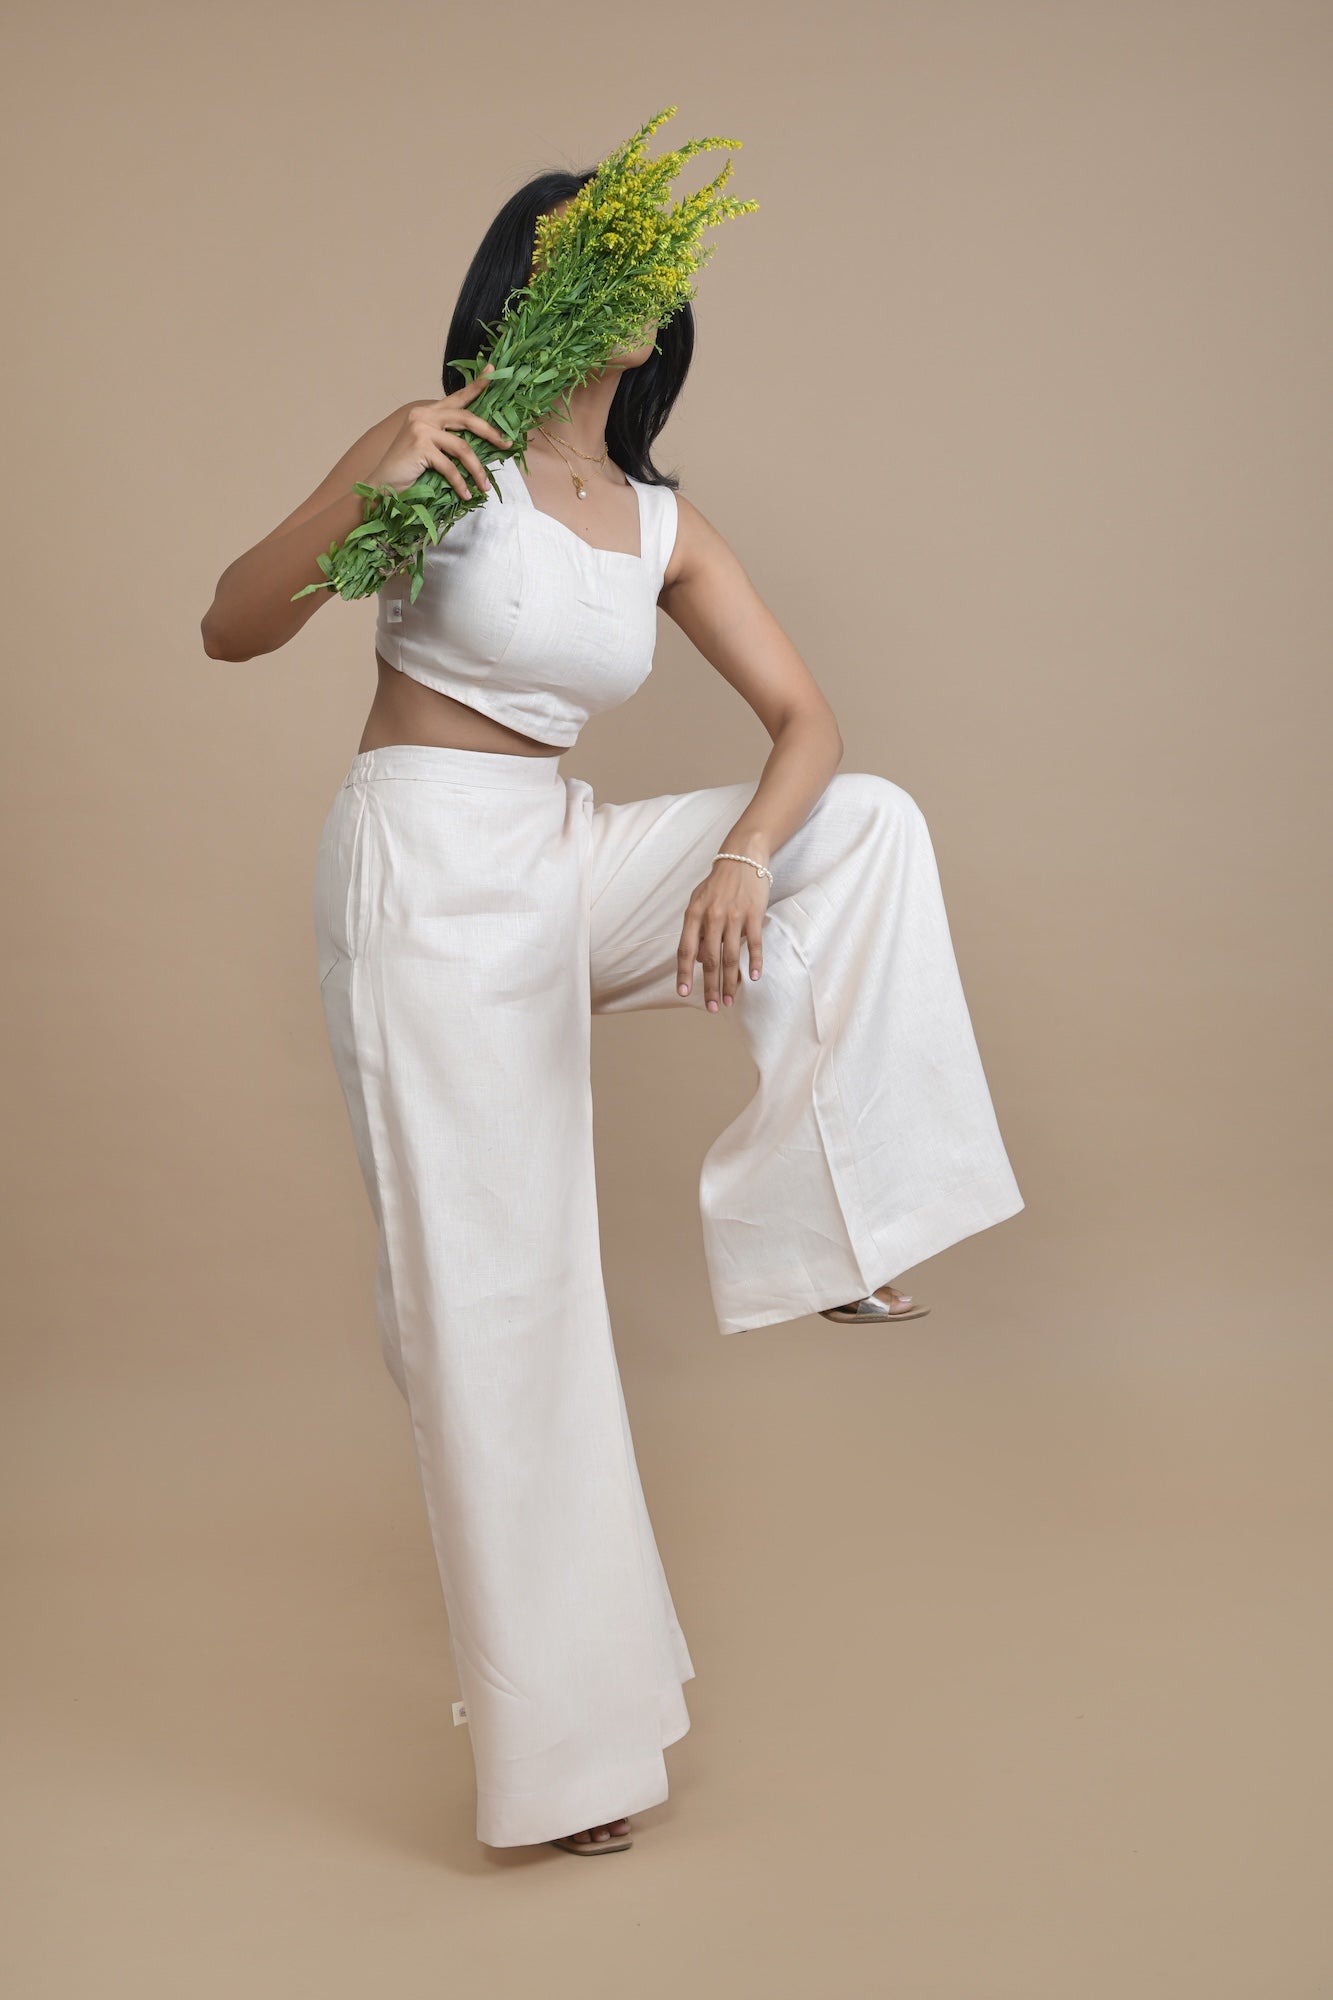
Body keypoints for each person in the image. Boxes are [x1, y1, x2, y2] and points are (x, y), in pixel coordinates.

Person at [200, 166, 1024, 1860]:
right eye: (598, 252)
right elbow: (232, 628)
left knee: (860, 830)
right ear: (533, 281)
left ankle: (837, 1231)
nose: (636, 279)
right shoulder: (447, 445)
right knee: (500, 1313)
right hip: (425, 873)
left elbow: (807, 724)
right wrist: (374, 482)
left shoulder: (657, 520)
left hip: (561, 852)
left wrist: (738, 855)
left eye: (652, 258)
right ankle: (564, 1768)